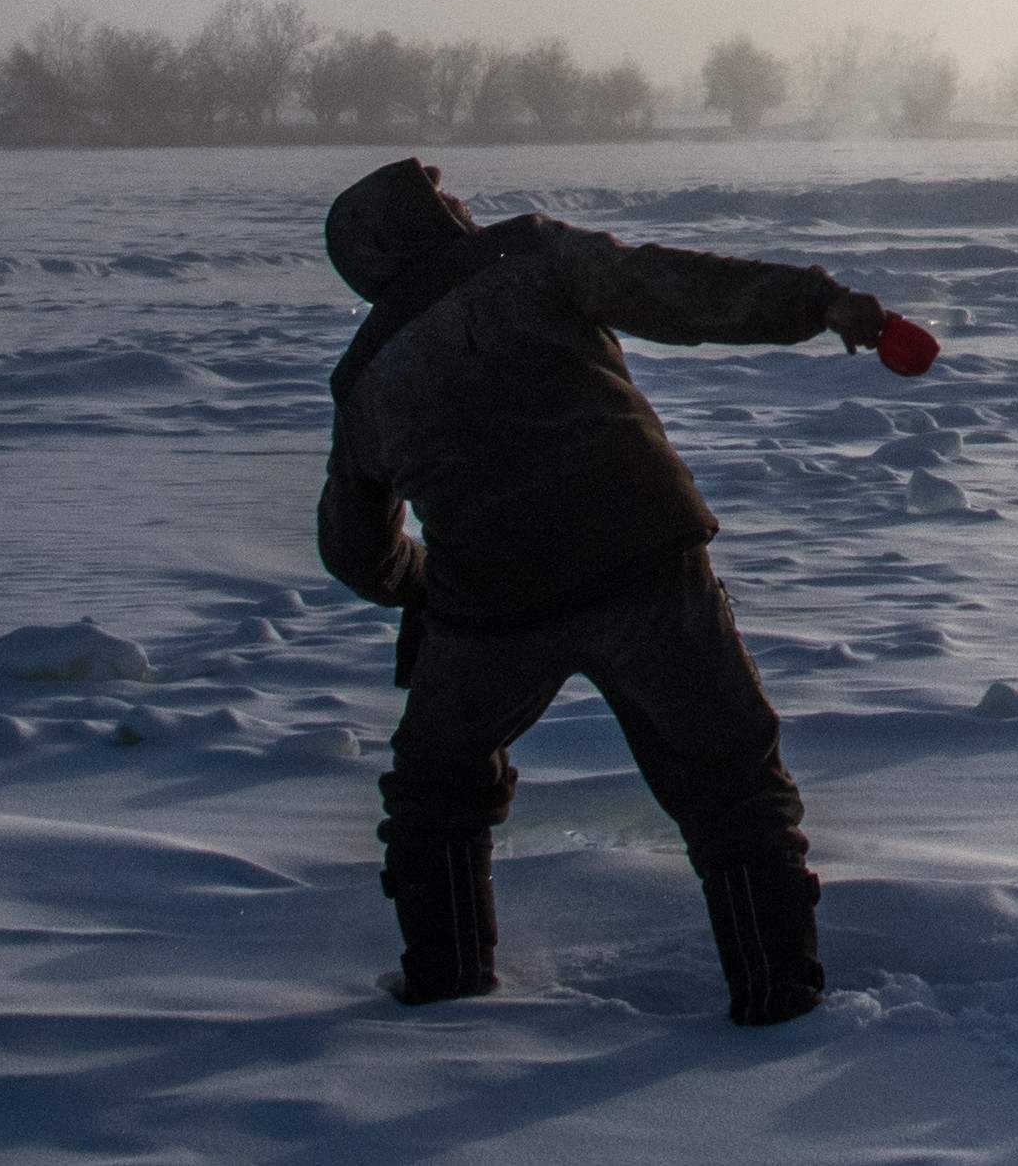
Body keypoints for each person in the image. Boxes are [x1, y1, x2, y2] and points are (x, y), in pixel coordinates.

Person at [314, 156, 916, 1022]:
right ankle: (778, 1000)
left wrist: (424, 582)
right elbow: (673, 288)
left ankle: (447, 996)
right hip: (642, 559)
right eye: (444, 198)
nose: (463, 203)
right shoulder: (527, 254)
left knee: (435, 791)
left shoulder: (364, 378)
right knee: (733, 786)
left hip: (491, 605)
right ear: (420, 223)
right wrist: (813, 302)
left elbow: (354, 550)